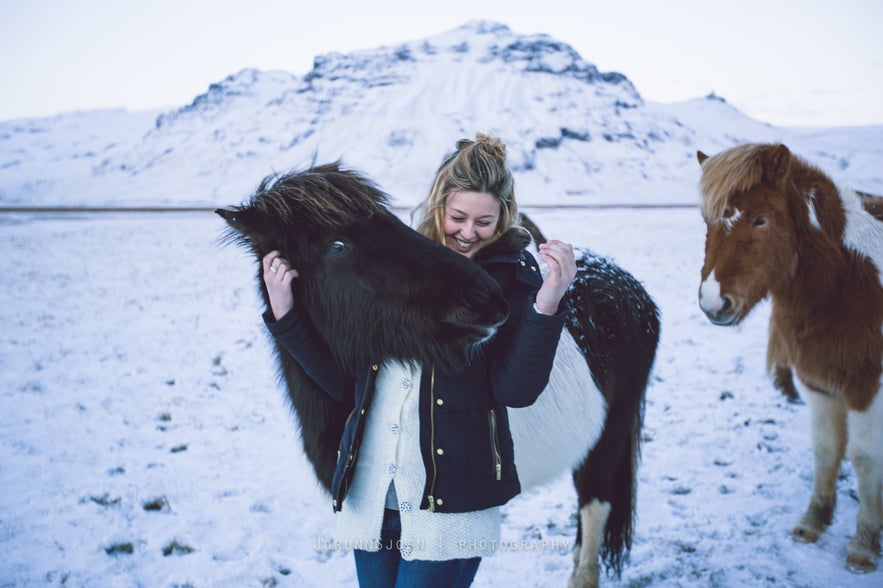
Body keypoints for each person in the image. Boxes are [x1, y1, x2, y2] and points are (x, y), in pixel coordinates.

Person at [261, 133, 576, 587]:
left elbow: (516, 390)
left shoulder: (513, 281)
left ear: (505, 217)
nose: (468, 233)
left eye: (484, 222)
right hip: (373, 501)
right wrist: (285, 313)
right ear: (438, 206)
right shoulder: (395, 266)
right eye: (458, 217)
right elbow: (346, 385)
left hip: (448, 511)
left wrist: (547, 304)